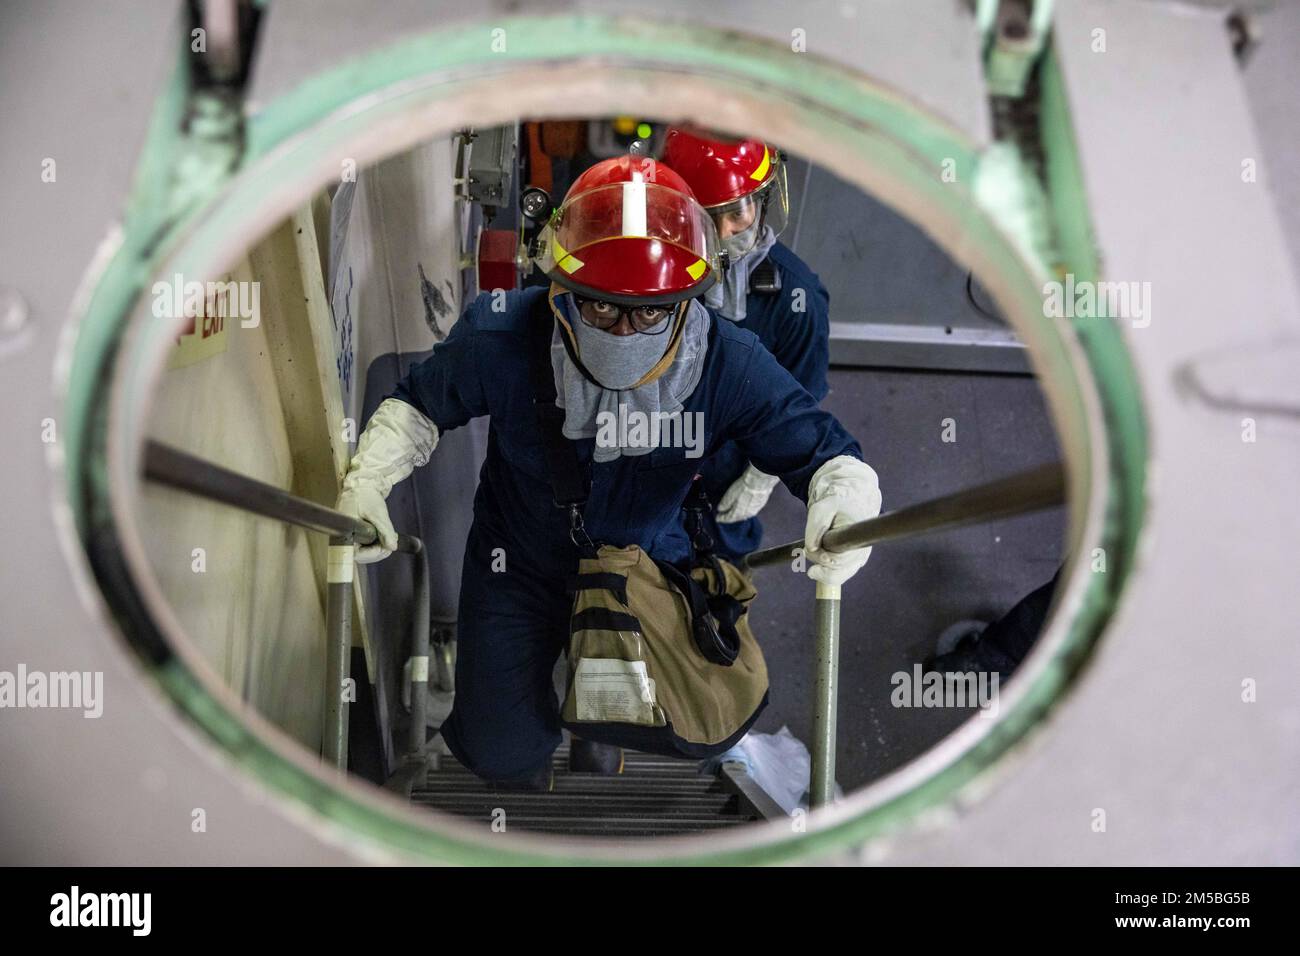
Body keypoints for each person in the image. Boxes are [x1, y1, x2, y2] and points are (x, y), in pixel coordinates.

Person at [336, 155, 881, 791]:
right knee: (498, 747)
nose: (624, 330)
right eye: (601, 309)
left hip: (645, 565)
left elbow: (824, 449)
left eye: (649, 313)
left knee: (634, 719)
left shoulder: (727, 360)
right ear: (562, 291)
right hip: (518, 563)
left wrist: (843, 502)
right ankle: (527, 769)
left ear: (686, 302)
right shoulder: (503, 333)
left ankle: (595, 734)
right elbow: (420, 406)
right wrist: (368, 482)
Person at [661, 126, 831, 560]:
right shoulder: (656, 271)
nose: (724, 232)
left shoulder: (796, 298)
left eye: (737, 211)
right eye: (705, 214)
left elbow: (801, 397)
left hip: (728, 462)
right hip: (654, 441)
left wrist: (760, 476)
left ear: (763, 200)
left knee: (720, 574)